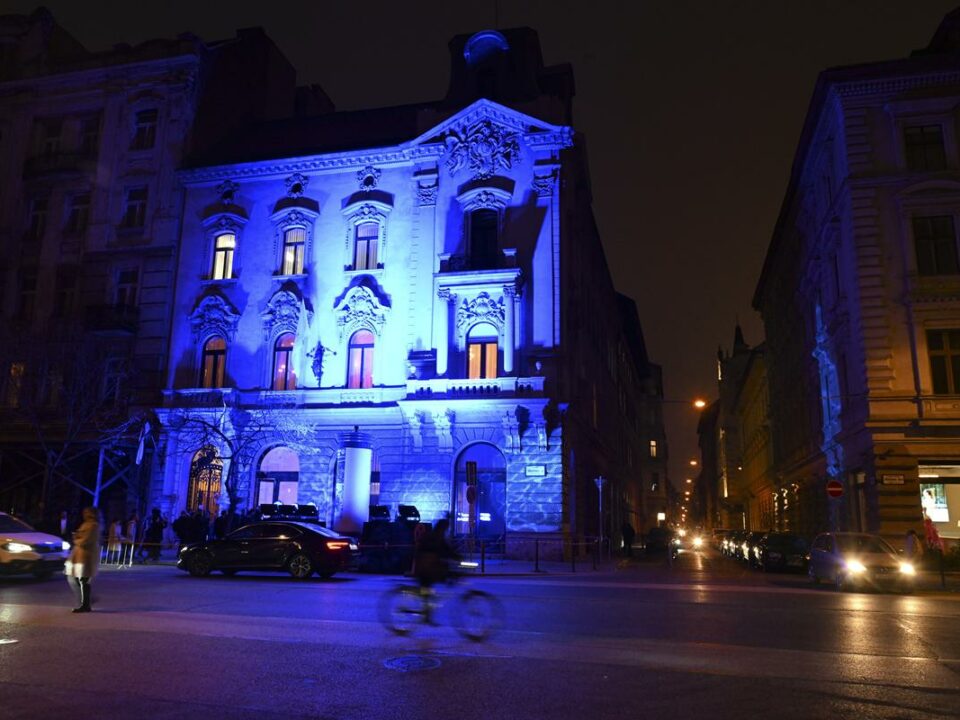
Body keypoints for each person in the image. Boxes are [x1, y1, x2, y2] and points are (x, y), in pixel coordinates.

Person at [66, 507, 101, 613]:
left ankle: (86, 604)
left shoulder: (93, 525)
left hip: (86, 556)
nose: (84, 514)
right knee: (77, 578)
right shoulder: (86, 524)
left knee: (83, 579)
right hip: (79, 555)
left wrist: (76, 539)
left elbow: (85, 540)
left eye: (87, 512)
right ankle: (87, 601)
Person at [924, 514, 946, 589]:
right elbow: (932, 536)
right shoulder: (930, 527)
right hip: (933, 545)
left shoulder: (928, 527)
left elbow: (930, 536)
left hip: (931, 545)